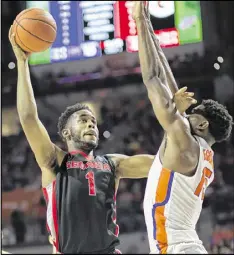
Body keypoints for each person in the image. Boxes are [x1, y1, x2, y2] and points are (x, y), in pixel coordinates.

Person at [8, 20, 198, 253]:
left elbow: (164, 163)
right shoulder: (56, 162)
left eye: (93, 121)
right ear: (66, 132)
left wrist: (175, 116)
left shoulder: (112, 164)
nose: (91, 124)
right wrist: (22, 61)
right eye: (83, 120)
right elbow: (28, 118)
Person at [133, 1, 233, 254]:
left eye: (194, 112)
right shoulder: (199, 150)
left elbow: (152, 79)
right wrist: (152, 38)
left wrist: (139, 21)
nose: (187, 113)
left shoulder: (184, 142)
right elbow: (173, 88)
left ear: (201, 123)